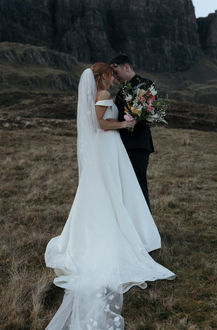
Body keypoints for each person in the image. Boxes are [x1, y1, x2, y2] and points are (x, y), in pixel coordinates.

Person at [44, 63, 175, 330]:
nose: (113, 78)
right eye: (110, 75)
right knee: (110, 190)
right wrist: (124, 123)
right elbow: (102, 124)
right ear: (102, 76)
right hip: (106, 145)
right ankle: (115, 230)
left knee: (107, 190)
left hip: (105, 149)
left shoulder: (98, 95)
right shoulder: (102, 96)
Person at [110, 55, 155, 210]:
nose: (115, 77)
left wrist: (136, 119)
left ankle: (145, 228)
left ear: (126, 67)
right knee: (124, 186)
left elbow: (151, 113)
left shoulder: (146, 85)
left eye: (116, 72)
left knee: (138, 185)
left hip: (138, 144)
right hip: (121, 144)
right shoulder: (121, 91)